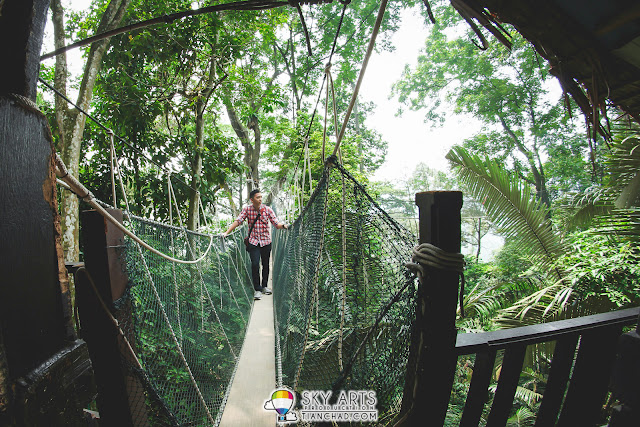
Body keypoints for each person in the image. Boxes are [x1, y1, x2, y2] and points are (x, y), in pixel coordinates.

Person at [222, 189, 288, 300]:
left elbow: (276, 224)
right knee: (255, 264)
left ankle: (264, 286)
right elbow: (238, 221)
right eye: (258, 197)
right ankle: (257, 289)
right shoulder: (247, 210)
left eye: (261, 197)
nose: (260, 199)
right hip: (253, 242)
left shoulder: (268, 210)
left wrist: (284, 226)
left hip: (266, 241)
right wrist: (227, 232)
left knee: (266, 265)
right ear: (252, 200)